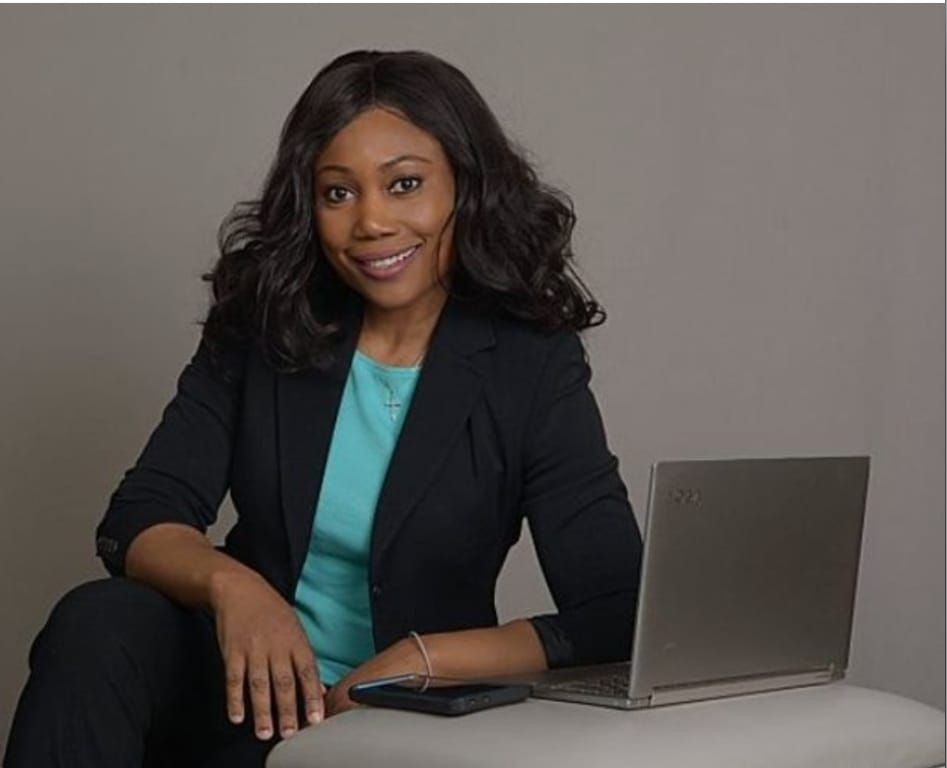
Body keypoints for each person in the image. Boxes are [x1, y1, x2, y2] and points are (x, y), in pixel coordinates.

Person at [4, 49, 643, 768]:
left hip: (409, 721)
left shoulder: (530, 364)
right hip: (240, 695)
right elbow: (138, 517)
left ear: (465, 187)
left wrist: (423, 658)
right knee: (98, 619)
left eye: (404, 185)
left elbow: (617, 610)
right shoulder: (265, 326)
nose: (370, 221)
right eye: (337, 193)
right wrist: (236, 589)